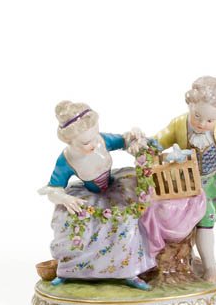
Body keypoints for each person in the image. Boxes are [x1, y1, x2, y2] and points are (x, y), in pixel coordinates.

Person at [39, 101, 154, 289]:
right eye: (86, 143)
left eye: (95, 136)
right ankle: (70, 271)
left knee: (129, 221)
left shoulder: (101, 140)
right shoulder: (67, 160)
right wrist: (65, 199)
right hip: (89, 195)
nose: (93, 144)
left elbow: (125, 141)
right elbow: (53, 189)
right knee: (79, 229)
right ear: (70, 141)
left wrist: (134, 138)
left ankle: (130, 271)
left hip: (115, 187)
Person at [154, 76, 216, 282]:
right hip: (185, 183)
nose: (201, 124)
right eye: (197, 116)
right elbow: (158, 141)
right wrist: (143, 144)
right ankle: (210, 268)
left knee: (212, 216)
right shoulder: (179, 124)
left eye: (210, 120)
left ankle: (190, 256)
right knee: (204, 219)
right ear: (190, 104)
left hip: (212, 182)